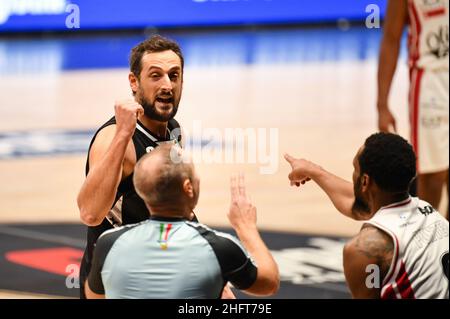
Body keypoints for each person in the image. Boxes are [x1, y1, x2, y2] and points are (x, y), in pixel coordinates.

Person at [84, 144, 280, 299]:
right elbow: (269, 283)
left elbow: (93, 295)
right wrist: (245, 227)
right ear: (188, 188)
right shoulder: (219, 247)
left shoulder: (108, 243)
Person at [76, 35, 188, 299]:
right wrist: (123, 134)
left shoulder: (174, 130)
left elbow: (175, 207)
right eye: (156, 76)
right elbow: (90, 213)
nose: (167, 85)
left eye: (174, 75)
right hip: (112, 284)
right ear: (134, 82)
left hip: (155, 278)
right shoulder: (115, 139)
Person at [285, 132, 449, 299]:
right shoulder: (428, 211)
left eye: (355, 169)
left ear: (364, 182)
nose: (353, 174)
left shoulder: (363, 249)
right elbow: (354, 201)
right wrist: (313, 170)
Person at [376, 0, 449, 218]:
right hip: (430, 83)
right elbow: (391, 39)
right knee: (433, 176)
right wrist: (382, 104)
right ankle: (425, 243)